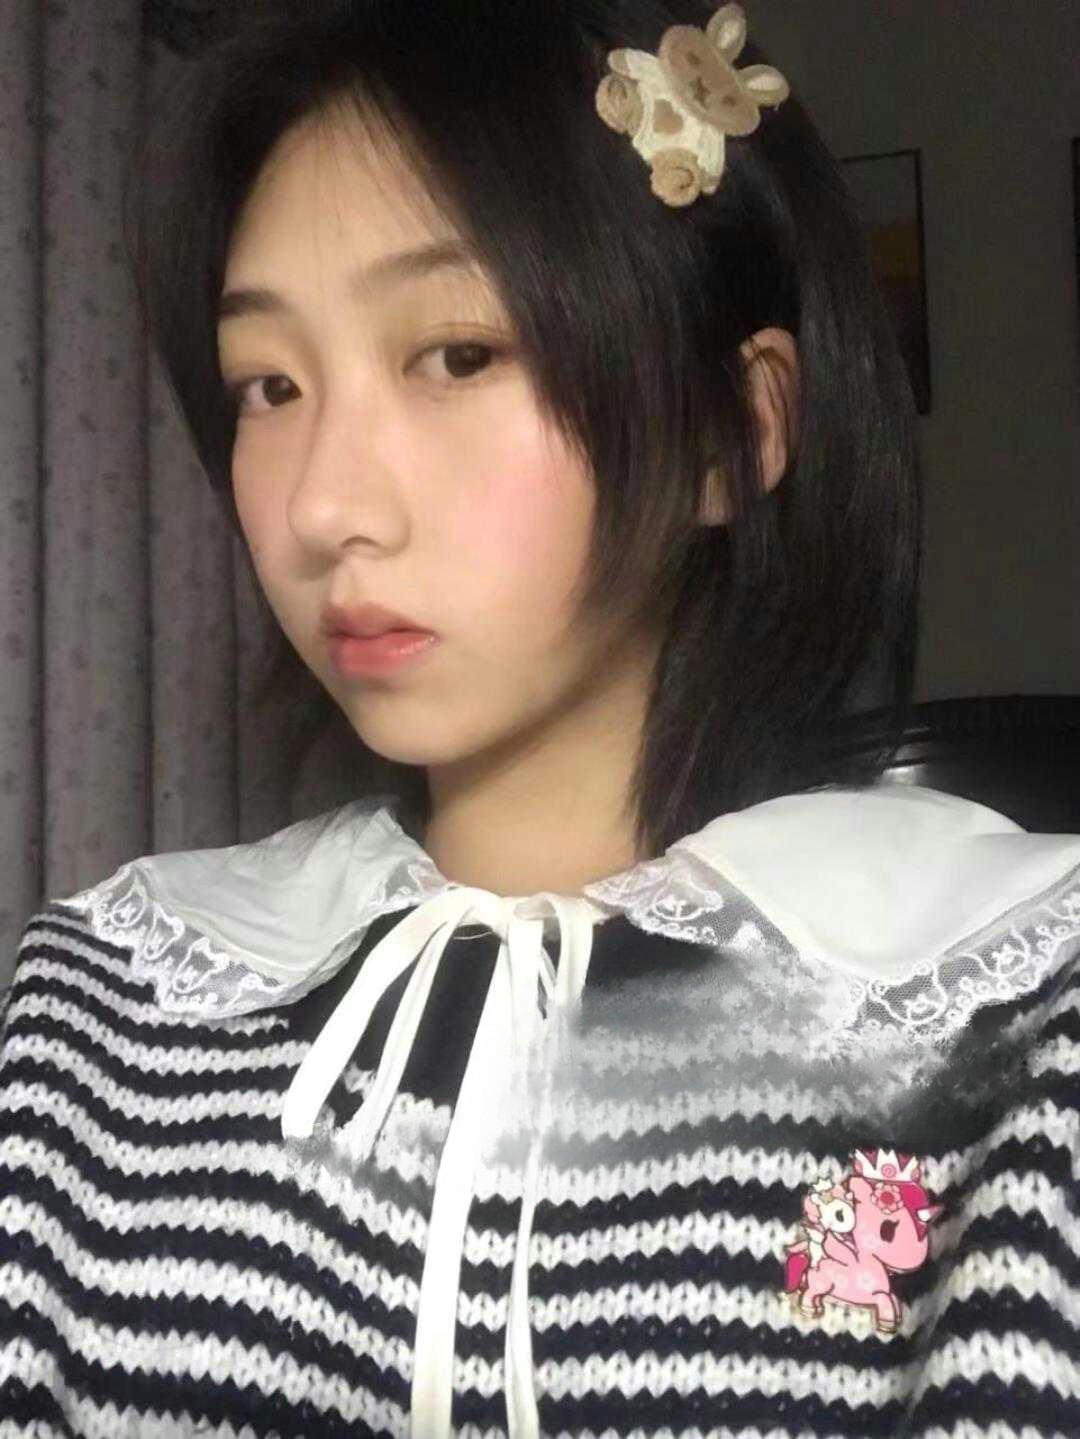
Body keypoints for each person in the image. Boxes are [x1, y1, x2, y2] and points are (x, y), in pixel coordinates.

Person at [1, 2, 1077, 1436]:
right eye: (270, 384)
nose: (323, 507)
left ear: (734, 430)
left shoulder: (1017, 1014)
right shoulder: (106, 1003)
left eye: (457, 355)